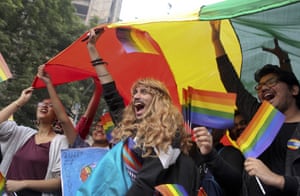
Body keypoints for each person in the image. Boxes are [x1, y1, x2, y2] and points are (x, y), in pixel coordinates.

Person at [77, 28, 200, 196]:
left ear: (158, 100)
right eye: (135, 93)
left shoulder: (170, 134)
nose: (135, 97)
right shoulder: (133, 128)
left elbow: (146, 182)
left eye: (143, 92)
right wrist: (92, 49)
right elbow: (112, 96)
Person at [210, 20, 300, 196]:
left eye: (271, 82)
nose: (263, 88)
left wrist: (277, 180)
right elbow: (233, 85)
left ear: (294, 90)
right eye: (259, 87)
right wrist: (216, 40)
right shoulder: (262, 119)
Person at [0, 87, 69, 196]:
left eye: (51, 105)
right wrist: (19, 102)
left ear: (57, 116)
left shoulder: (61, 142)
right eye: (42, 103)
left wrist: (24, 184)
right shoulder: (22, 132)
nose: (45, 105)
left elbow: (61, 181)